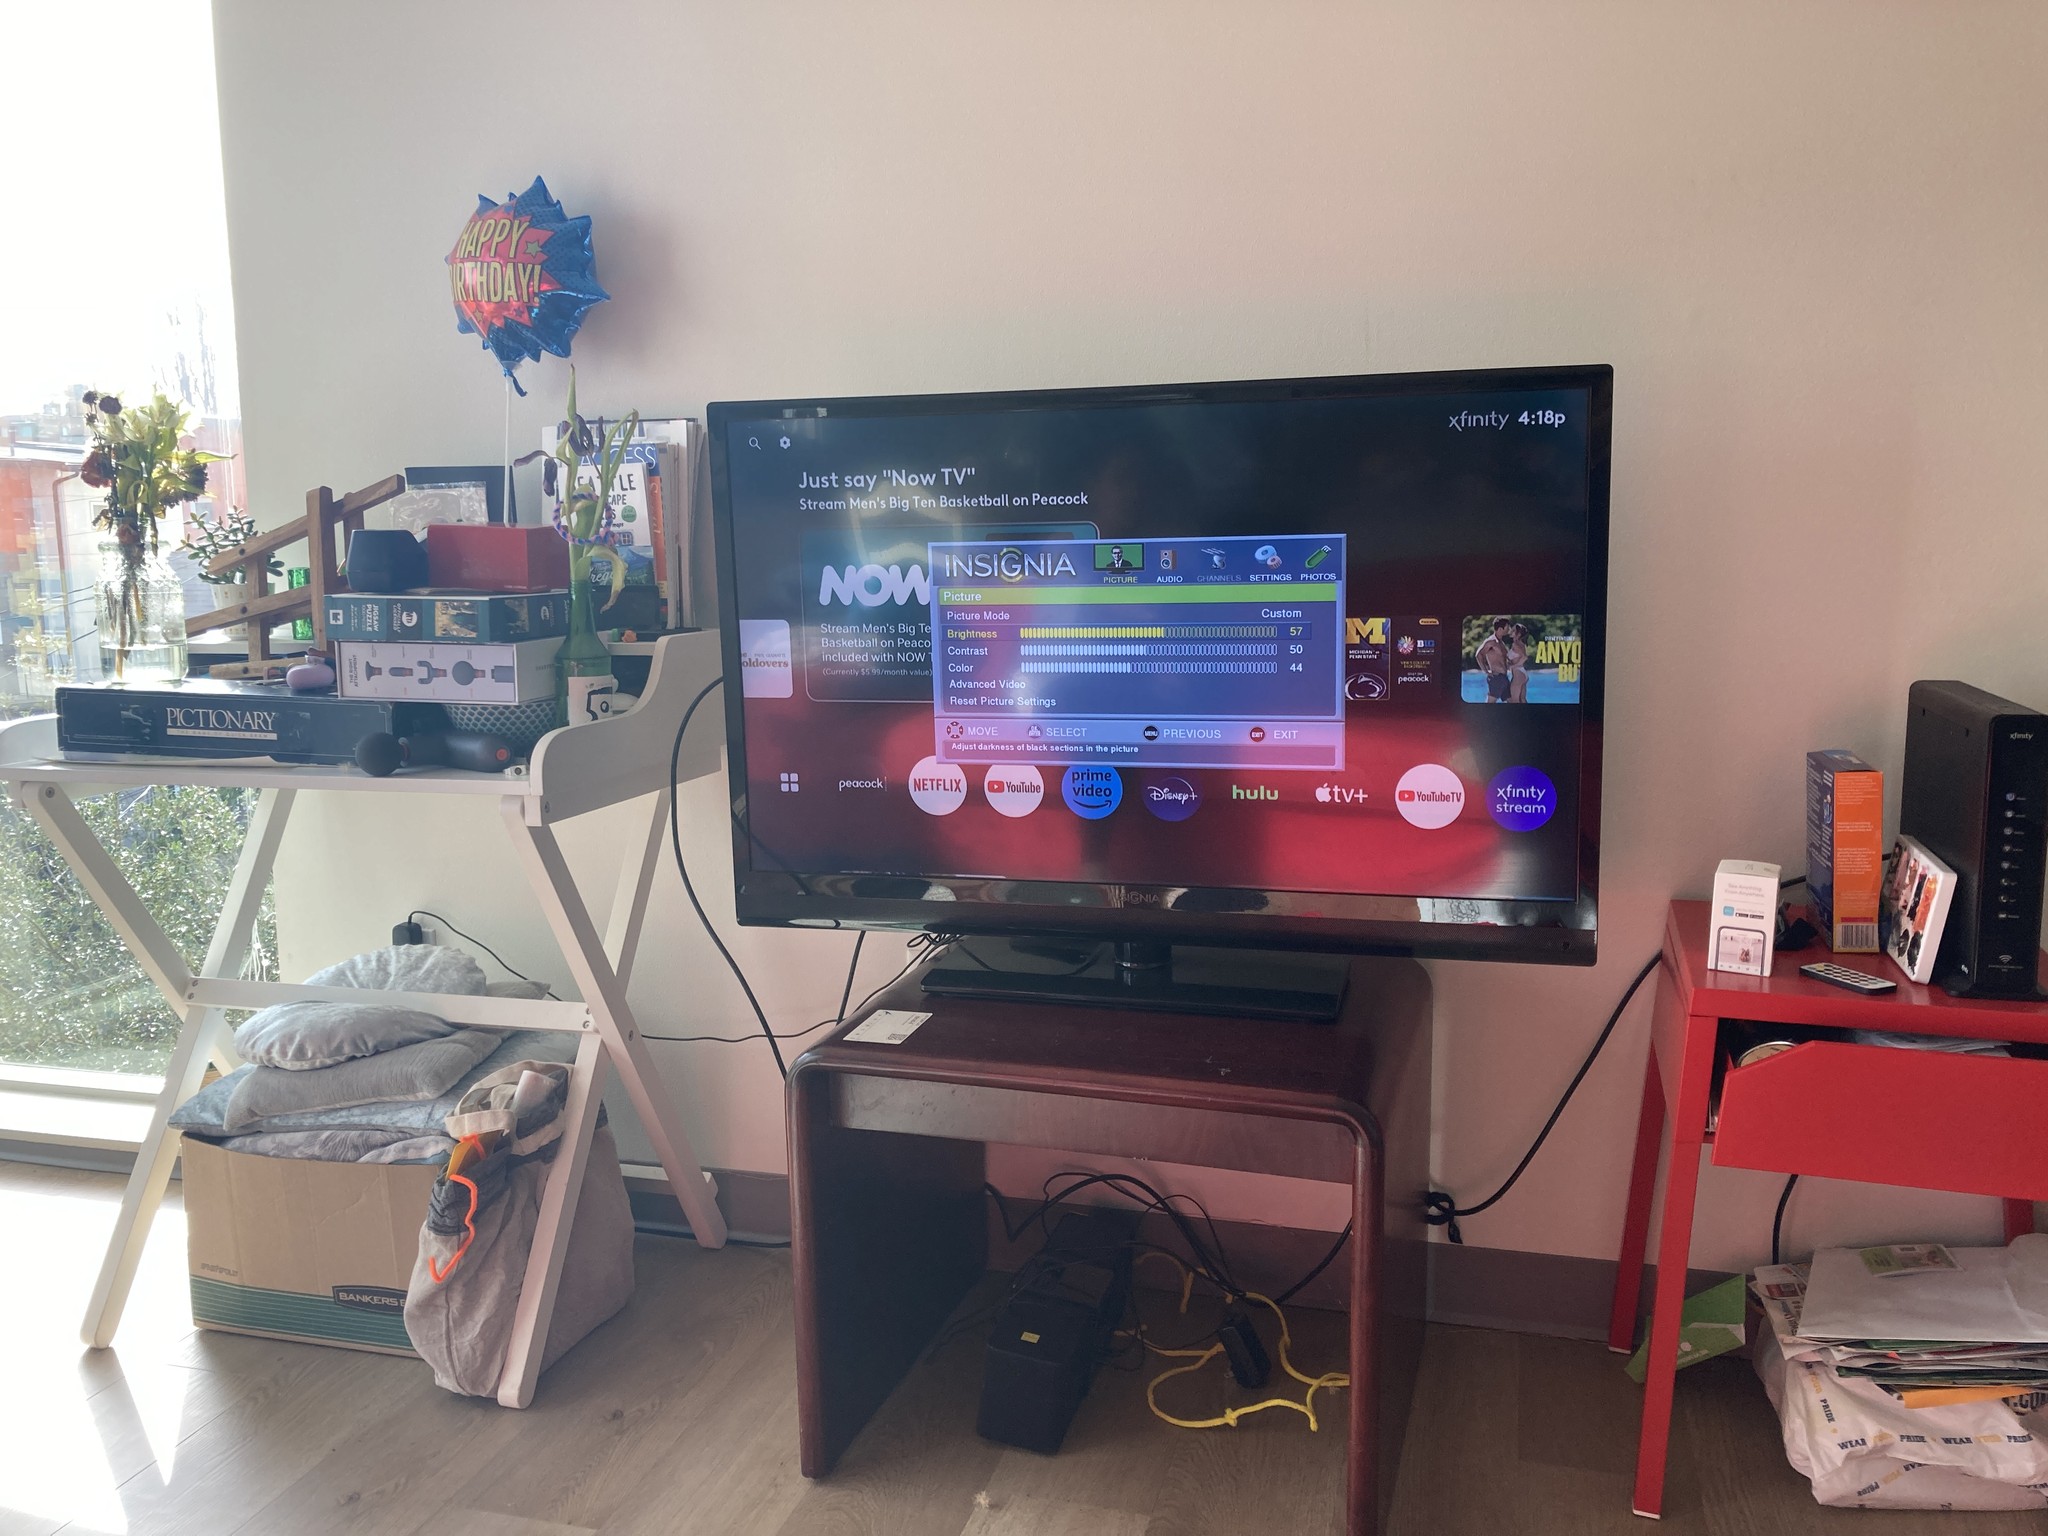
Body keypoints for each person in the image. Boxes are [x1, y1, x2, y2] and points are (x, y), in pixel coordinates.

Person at [1475, 618, 1513, 702]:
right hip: (1496, 677)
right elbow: (1478, 654)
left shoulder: (1500, 642)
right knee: (1490, 703)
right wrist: (1486, 671)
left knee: (1512, 702)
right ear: (1500, 629)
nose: (1509, 629)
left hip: (1504, 677)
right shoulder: (1491, 641)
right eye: (1507, 627)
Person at [1508, 622, 1532, 703]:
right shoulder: (1521, 644)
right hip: (1522, 673)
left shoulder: (1516, 644)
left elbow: (1524, 657)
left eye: (1514, 630)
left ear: (1518, 634)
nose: (1511, 630)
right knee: (1522, 700)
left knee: (1514, 701)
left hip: (1518, 674)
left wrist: (1513, 666)